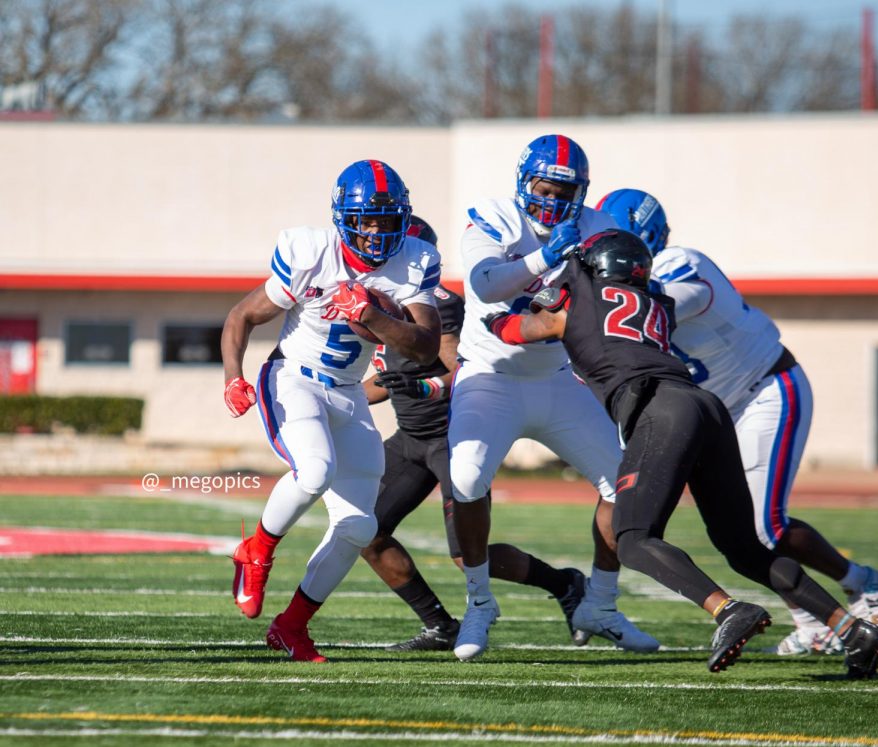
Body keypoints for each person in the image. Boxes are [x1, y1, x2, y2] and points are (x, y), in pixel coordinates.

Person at [483, 228, 878, 677]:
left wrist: (494, 315)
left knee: (633, 538)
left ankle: (727, 610)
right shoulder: (658, 305)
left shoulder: (575, 301)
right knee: (745, 549)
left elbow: (516, 330)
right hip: (704, 406)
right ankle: (852, 629)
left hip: (662, 409)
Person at [596, 189, 878, 655]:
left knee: (763, 527)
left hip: (766, 389)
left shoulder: (680, 264)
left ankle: (860, 583)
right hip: (716, 408)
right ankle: (819, 620)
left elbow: (659, 303)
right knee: (740, 536)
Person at [448, 133, 659, 661]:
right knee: (467, 478)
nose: (552, 199)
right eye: (544, 187)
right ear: (524, 182)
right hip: (490, 374)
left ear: (583, 191)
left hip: (557, 376)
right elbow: (484, 285)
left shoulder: (597, 228)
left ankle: (601, 605)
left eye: (565, 190)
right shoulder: (495, 219)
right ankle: (479, 602)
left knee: (623, 484)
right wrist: (545, 255)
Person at [222, 159, 442, 662]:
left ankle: (292, 626)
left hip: (347, 392)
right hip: (293, 377)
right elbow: (242, 315)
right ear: (344, 217)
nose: (374, 231)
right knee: (315, 468)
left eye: (385, 220)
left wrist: (370, 314)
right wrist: (232, 375)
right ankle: (255, 548)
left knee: (361, 526)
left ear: (402, 219)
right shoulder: (309, 251)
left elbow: (426, 347)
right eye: (364, 219)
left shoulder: (415, 258)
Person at [360, 216, 587, 651]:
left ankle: (564, 583)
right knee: (364, 529)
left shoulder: (438, 302)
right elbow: (387, 379)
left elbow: (456, 365)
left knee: (467, 552)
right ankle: (439, 625)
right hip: (411, 437)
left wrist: (422, 383)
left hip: (452, 437)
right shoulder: (384, 299)